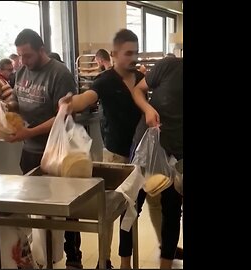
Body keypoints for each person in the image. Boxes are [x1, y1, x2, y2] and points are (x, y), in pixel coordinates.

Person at [0, 28, 82, 269]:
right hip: (30, 152)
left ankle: (73, 258)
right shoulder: (21, 71)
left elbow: (63, 116)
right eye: (20, 56)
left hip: (58, 153)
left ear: (41, 50)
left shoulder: (59, 74)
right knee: (36, 207)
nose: (23, 61)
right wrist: (5, 107)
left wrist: (29, 132)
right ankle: (43, 256)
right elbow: (18, 101)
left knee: (65, 208)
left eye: (28, 55)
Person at [59, 29, 144, 269]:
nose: (132, 58)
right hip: (116, 154)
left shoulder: (139, 79)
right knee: (108, 210)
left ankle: (126, 261)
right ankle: (103, 259)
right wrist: (70, 103)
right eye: (128, 53)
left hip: (139, 153)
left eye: (135, 53)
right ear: (115, 54)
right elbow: (87, 98)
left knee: (131, 210)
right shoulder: (105, 81)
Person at [129, 57, 183, 269]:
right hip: (147, 147)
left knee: (172, 211)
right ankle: (125, 264)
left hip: (177, 154)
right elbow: (137, 90)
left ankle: (166, 265)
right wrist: (147, 109)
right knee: (131, 205)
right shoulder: (170, 66)